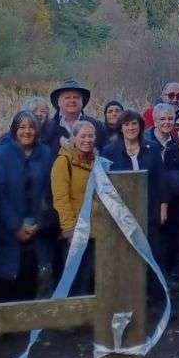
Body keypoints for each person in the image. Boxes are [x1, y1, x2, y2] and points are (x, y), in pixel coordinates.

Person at [0, 111, 54, 302]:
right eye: (22, 127)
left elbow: (51, 190)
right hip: (7, 233)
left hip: (38, 232)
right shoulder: (1, 154)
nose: (27, 131)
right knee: (5, 289)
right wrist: (15, 225)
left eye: (32, 127)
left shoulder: (46, 152)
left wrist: (41, 222)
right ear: (15, 130)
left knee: (33, 286)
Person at [101, 110, 169, 275]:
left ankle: (157, 294)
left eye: (134, 124)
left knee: (154, 252)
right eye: (127, 124)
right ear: (120, 128)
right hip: (123, 213)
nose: (131, 128)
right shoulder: (109, 151)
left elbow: (161, 180)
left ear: (140, 126)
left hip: (149, 209)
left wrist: (163, 208)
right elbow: (105, 184)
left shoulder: (152, 148)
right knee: (126, 253)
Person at [50, 120, 98, 296]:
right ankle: (67, 320)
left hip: (95, 231)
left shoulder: (97, 163)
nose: (87, 140)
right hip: (75, 232)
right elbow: (60, 198)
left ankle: (84, 320)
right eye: (83, 136)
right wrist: (69, 228)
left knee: (88, 277)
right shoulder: (63, 162)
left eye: (91, 136)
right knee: (71, 279)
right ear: (74, 138)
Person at [145, 103, 179, 282]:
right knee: (157, 238)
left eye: (170, 118)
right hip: (153, 198)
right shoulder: (147, 143)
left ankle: (172, 273)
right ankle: (157, 277)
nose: (166, 122)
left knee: (174, 235)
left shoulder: (175, 144)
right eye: (162, 119)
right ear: (155, 121)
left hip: (174, 198)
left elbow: (178, 168)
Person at [44, 80, 108, 158]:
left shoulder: (97, 126)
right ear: (58, 102)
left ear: (82, 102)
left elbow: (105, 154)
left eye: (76, 97)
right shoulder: (47, 128)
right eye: (67, 98)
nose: (72, 101)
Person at [142, 82, 179, 161]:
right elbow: (143, 141)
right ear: (163, 97)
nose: (175, 100)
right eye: (171, 96)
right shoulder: (149, 114)